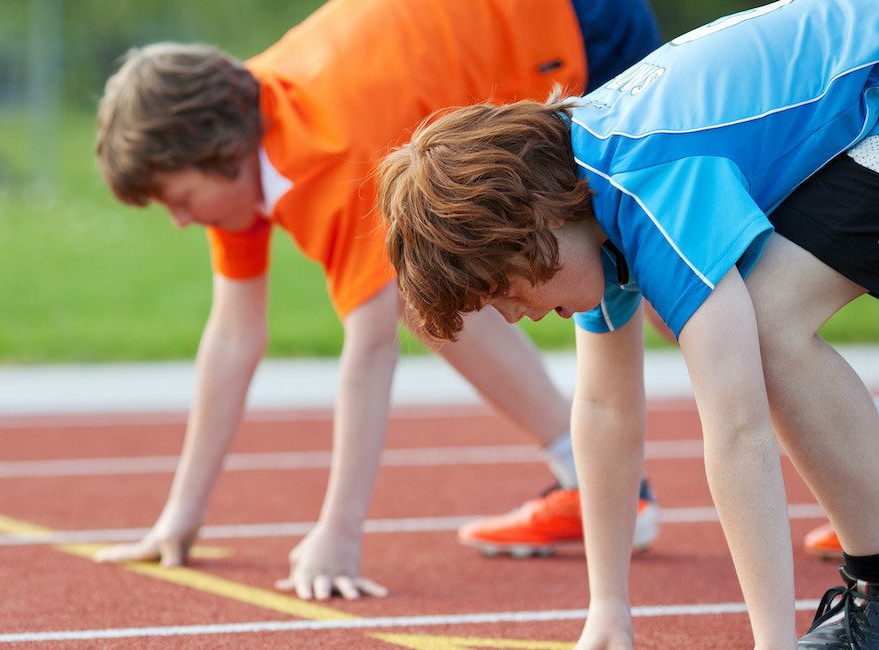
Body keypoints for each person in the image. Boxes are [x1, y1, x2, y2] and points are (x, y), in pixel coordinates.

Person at [92, 0, 663, 600]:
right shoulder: (247, 130)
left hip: (576, 24)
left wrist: (338, 532)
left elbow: (370, 350)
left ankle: (634, 470)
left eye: (179, 198)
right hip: (523, 28)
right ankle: (590, 478)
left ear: (220, 151)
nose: (181, 220)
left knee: (666, 281)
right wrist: (181, 513)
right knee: (432, 295)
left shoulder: (328, 148)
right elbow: (233, 337)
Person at [375, 0, 878, 645]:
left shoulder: (648, 184)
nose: (515, 317)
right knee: (769, 324)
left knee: (768, 331)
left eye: (502, 290)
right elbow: (605, 406)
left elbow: (737, 429)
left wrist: (770, 642)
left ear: (542, 228)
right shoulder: (586, 191)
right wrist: (608, 607)